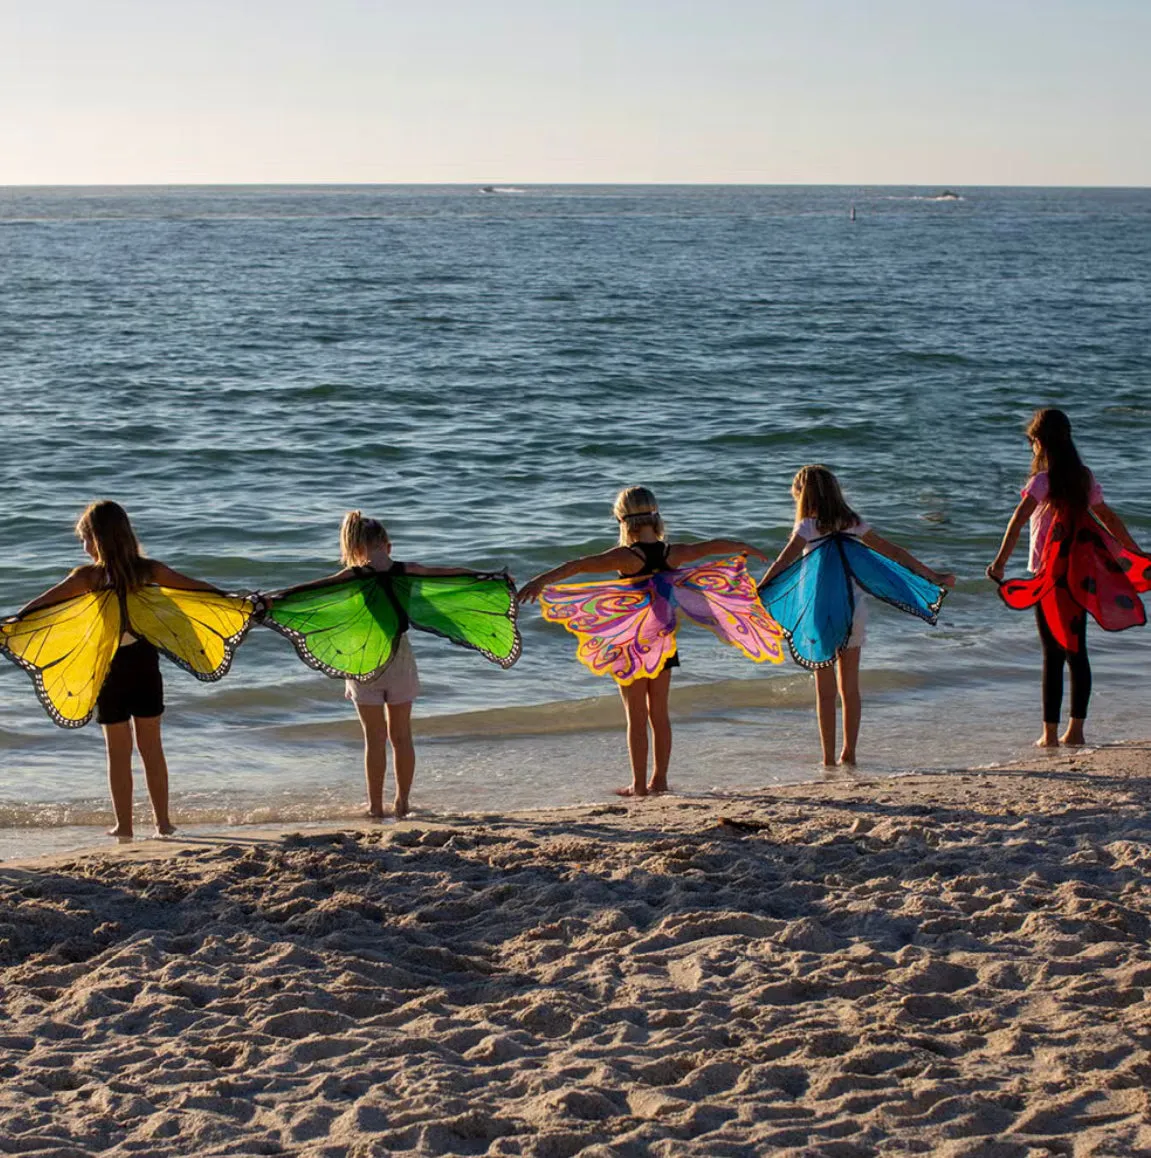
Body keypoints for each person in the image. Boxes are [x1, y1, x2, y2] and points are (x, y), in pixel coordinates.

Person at [517, 485, 770, 797]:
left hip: (629, 647)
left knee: (635, 716)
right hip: (663, 642)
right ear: (656, 515)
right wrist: (746, 547)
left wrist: (539, 581)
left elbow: (579, 565)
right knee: (659, 713)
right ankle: (660, 781)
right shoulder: (672, 553)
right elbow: (711, 546)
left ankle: (638, 785)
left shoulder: (626, 557)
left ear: (622, 520)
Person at [13, 501, 227, 838]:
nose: (83, 547)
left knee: (118, 752)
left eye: (84, 539)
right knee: (151, 748)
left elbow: (38, 608)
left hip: (109, 670)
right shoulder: (148, 570)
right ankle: (163, 823)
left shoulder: (87, 577)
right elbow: (196, 587)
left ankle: (124, 825)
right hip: (145, 666)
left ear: (95, 539)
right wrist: (236, 601)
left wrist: (9, 626)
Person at [284, 511, 497, 820]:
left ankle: (374, 807)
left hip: (363, 662)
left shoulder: (353, 576)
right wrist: (488, 577)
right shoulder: (407, 570)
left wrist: (267, 601)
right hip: (400, 660)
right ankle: (403, 803)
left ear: (354, 547)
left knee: (374, 738)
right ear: (388, 545)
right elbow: (451, 575)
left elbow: (308, 594)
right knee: (401, 736)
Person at [760, 465, 955, 768]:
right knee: (849, 688)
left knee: (824, 692)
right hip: (854, 612)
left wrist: (759, 591)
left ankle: (827, 758)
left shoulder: (808, 527)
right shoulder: (853, 522)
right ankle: (849, 752)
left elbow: (783, 563)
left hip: (818, 614)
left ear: (803, 496)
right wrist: (931, 575)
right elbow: (893, 551)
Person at [987, 408, 1144, 748]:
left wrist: (1000, 562)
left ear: (1040, 442)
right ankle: (1077, 730)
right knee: (1077, 650)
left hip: (1049, 576)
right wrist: (1135, 554)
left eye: (1031, 442)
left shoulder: (1042, 481)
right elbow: (1110, 520)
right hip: (1080, 574)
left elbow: (1017, 522)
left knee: (1052, 654)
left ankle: (1049, 734)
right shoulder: (1084, 478)